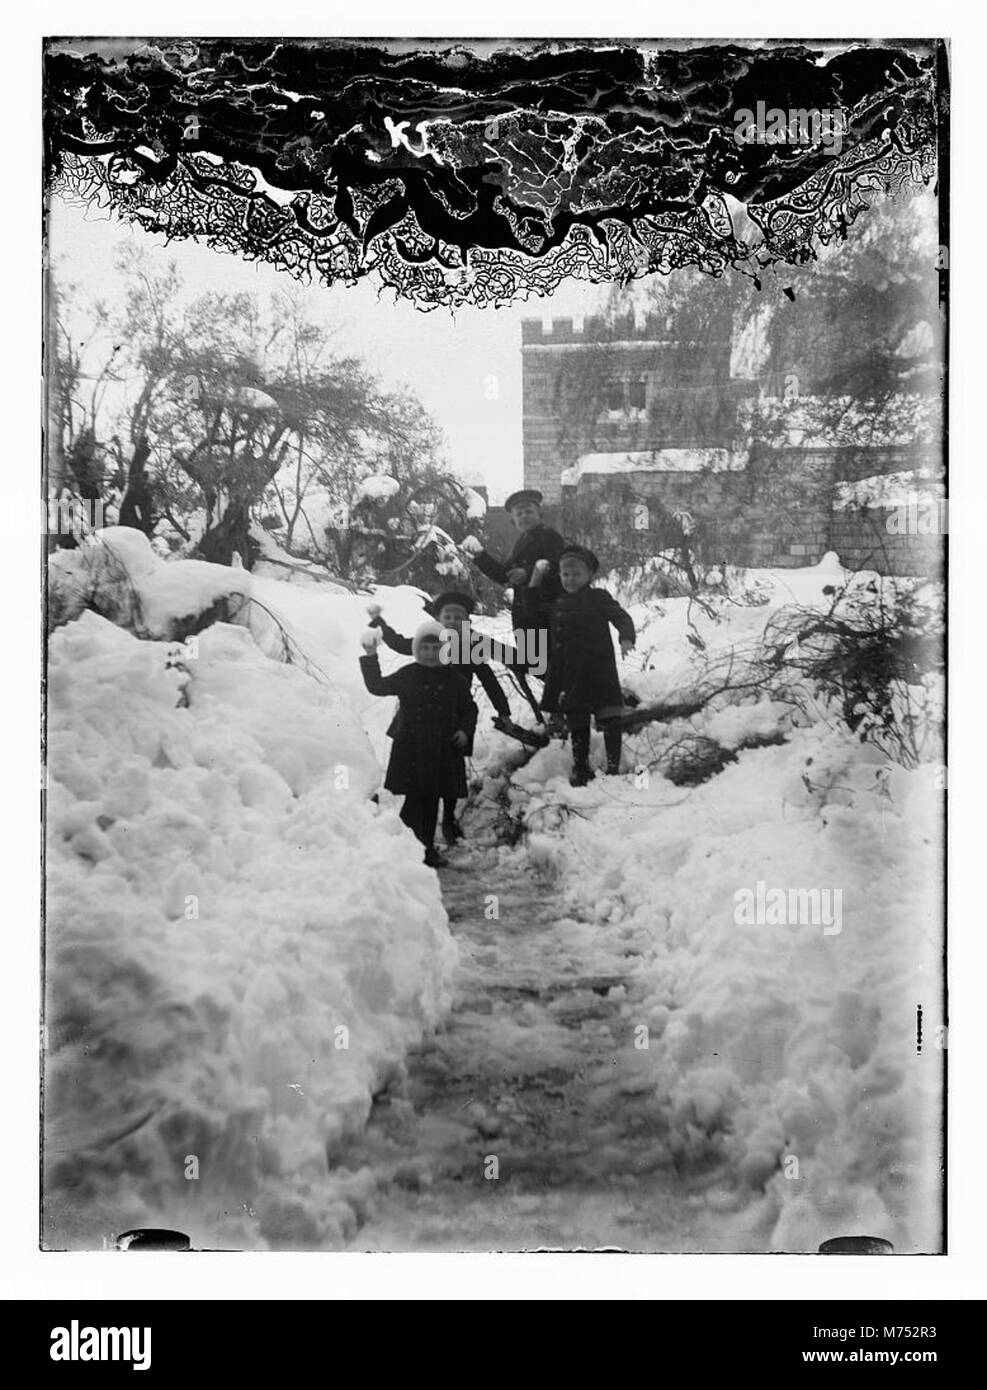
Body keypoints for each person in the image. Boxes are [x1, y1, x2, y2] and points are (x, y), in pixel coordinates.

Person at [366, 590, 515, 844]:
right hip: (419, 717)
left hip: (455, 718)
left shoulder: (471, 647)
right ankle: (418, 833)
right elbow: (400, 643)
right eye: (448, 616)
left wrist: (504, 712)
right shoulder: (428, 640)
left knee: (451, 775)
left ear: (467, 621)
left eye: (460, 617)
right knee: (423, 776)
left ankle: (448, 819)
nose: (454, 621)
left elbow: (489, 681)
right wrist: (381, 625)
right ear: (438, 617)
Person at [359, 620, 476, 868]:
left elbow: (469, 709)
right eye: (425, 648)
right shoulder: (408, 674)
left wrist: (465, 731)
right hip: (412, 747)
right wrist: (370, 656)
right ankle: (414, 847)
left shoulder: (455, 678)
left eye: (436, 648)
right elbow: (377, 686)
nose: (431, 654)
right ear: (416, 649)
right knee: (418, 797)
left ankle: (416, 846)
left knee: (429, 798)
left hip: (442, 748)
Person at [531, 543, 636, 787]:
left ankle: (612, 767)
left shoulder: (599, 598)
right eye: (565, 574)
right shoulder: (557, 603)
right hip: (570, 675)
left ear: (590, 575)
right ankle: (580, 768)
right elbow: (532, 610)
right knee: (577, 723)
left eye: (577, 574)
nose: (570, 579)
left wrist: (626, 636)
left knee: (610, 718)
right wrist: (536, 579)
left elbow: (621, 617)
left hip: (600, 670)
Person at [460, 488, 568, 686]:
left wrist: (528, 572)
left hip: (546, 613)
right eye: (519, 513)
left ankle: (566, 706)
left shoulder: (549, 536)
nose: (524, 516)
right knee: (537, 664)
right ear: (513, 521)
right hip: (525, 615)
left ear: (539, 514)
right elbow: (504, 576)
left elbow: (561, 564)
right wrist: (480, 555)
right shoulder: (521, 542)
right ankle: (559, 705)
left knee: (549, 665)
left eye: (528, 511)